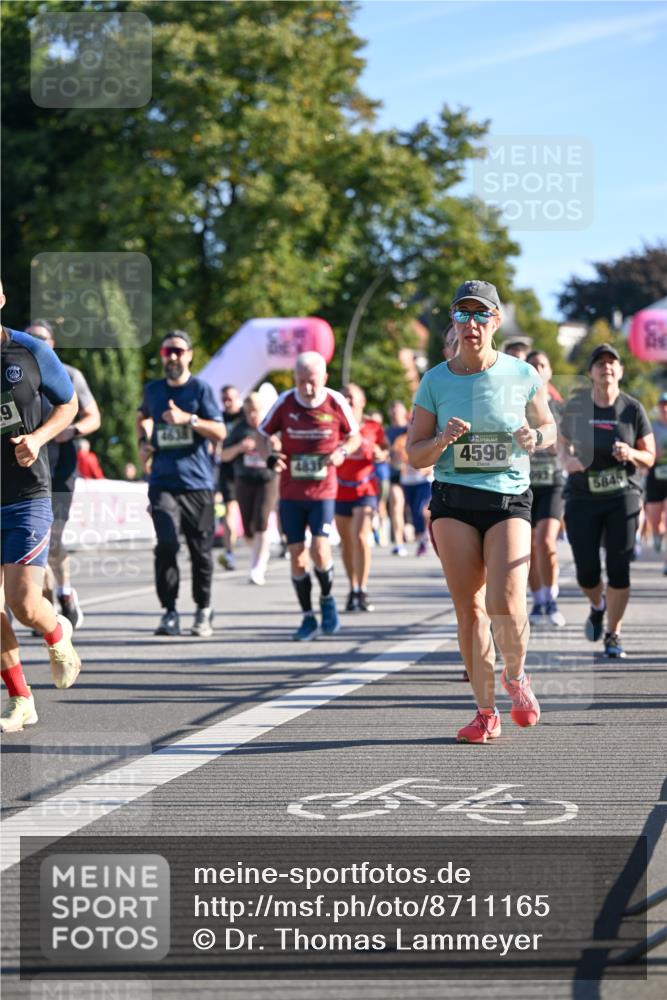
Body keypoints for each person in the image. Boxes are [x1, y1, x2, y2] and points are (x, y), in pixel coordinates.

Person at [408, 279, 556, 745]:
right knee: (469, 609)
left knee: (506, 604)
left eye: (480, 315)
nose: (471, 324)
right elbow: (414, 455)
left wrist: (537, 438)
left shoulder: (521, 374)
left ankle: (516, 676)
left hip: (508, 498)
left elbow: (549, 425)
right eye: (462, 314)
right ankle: (485, 710)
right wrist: (442, 441)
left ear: (494, 321)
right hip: (454, 498)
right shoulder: (435, 380)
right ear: (453, 321)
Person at [1, 287, 84, 733]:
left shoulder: (29, 351)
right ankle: (21, 699)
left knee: (23, 603)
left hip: (26, 495)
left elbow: (68, 403)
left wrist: (37, 439)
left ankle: (56, 633)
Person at [559, 344, 655, 658]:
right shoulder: (576, 406)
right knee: (586, 572)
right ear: (591, 373)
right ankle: (597, 604)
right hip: (582, 497)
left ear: (621, 371)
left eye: (612, 363)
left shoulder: (632, 409)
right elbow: (561, 442)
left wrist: (631, 453)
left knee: (619, 568)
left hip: (622, 495)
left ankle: (613, 634)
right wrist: (567, 460)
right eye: (599, 363)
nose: (606, 368)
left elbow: (649, 457)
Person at [257, 352, 360, 641]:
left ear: (324, 379)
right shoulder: (286, 402)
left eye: (312, 382)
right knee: (297, 558)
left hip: (323, 490)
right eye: (301, 382)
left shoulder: (335, 402)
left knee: (319, 549)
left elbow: (355, 437)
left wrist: (340, 452)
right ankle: (307, 617)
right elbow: (261, 434)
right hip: (291, 491)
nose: (307, 388)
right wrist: (269, 457)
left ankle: (327, 599)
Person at [137, 330, 226, 638]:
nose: (172, 357)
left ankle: (203, 608)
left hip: (198, 485)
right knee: (166, 545)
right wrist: (143, 442)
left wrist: (188, 419)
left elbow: (220, 432)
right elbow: (143, 417)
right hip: (162, 481)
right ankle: (170, 611)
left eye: (177, 351)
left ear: (189, 355)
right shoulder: (153, 390)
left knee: (201, 551)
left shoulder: (201, 390)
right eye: (166, 352)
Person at [26, 319, 102, 628]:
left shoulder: (69, 375)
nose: (36, 344)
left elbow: (93, 417)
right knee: (37, 536)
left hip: (61, 468)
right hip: (28, 469)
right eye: (30, 339)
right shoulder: (15, 375)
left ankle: (65, 591)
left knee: (53, 537)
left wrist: (72, 430)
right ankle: (44, 602)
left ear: (52, 343)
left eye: (42, 338)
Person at [335, 384, 387, 612]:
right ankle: (353, 587)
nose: (347, 399)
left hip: (366, 489)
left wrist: (380, 454)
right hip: (339, 489)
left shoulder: (373, 426)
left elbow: (385, 450)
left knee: (360, 537)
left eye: (351, 396)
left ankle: (363, 588)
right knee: (346, 543)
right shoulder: (335, 425)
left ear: (362, 401)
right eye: (343, 395)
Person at [218, 392, 278, 586]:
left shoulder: (271, 427)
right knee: (248, 529)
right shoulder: (238, 429)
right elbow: (223, 455)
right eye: (249, 412)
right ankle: (260, 551)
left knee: (261, 521)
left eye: (256, 411)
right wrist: (240, 448)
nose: (253, 416)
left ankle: (257, 567)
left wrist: (276, 446)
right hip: (244, 479)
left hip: (267, 479)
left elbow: (286, 450)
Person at [525, 350, 566, 627]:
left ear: (549, 371)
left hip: (552, 483)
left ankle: (551, 598)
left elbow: (572, 445)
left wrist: (557, 444)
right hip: (525, 485)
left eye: (542, 364)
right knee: (527, 547)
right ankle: (538, 600)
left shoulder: (561, 408)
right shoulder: (514, 405)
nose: (538, 369)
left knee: (545, 541)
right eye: (532, 365)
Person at [217, 385, 243, 570]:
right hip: (228, 471)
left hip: (249, 472)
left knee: (253, 520)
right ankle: (229, 552)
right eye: (224, 398)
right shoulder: (218, 419)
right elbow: (218, 451)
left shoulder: (246, 417)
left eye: (230, 398)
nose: (227, 402)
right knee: (229, 513)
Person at [645, 391, 667, 575]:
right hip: (655, 476)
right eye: (662, 405)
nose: (665, 408)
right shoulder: (652, 427)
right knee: (655, 519)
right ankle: (657, 535)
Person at [386, 400, 409, 556]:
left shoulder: (411, 429)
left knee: (421, 510)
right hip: (395, 476)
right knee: (396, 504)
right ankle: (399, 542)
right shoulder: (386, 432)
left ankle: (424, 537)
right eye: (392, 409)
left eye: (397, 409)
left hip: (416, 476)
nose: (394, 412)